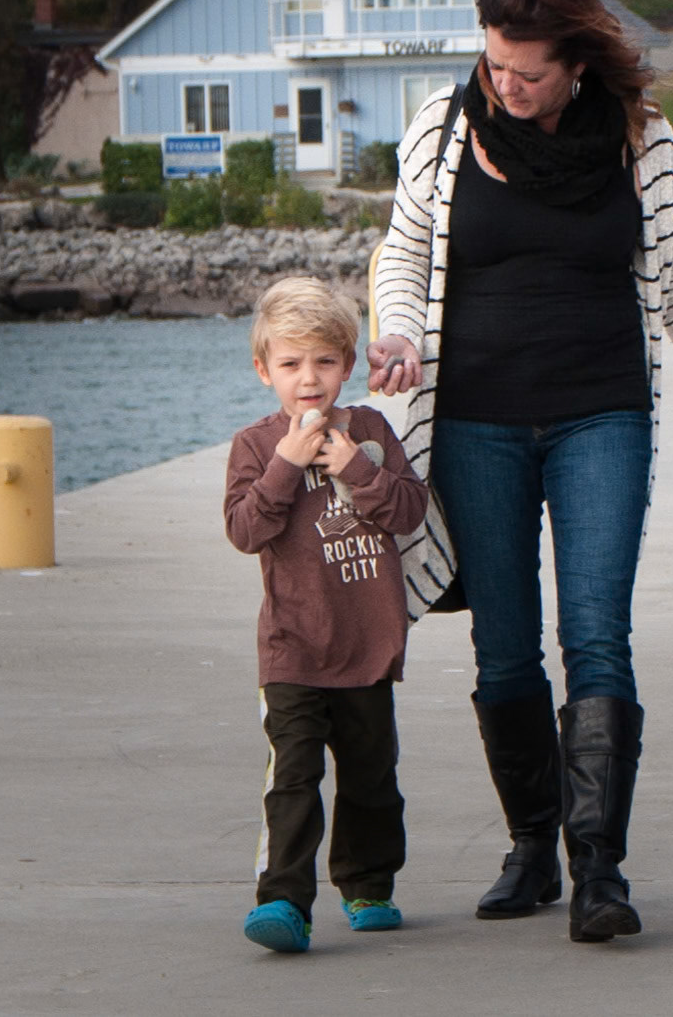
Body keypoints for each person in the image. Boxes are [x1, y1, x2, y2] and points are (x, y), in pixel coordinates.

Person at [368, 0, 673, 944]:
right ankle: (532, 842)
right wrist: (403, 332)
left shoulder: (641, 140)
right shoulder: (443, 127)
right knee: (502, 640)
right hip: (473, 419)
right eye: (495, 63)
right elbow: (404, 250)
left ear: (577, 62)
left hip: (603, 412)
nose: (505, 83)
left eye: (526, 71)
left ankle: (599, 865)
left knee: (595, 630)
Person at [224, 277, 431, 954]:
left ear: (346, 364)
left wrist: (354, 468)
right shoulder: (255, 446)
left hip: (366, 641)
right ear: (264, 371)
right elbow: (245, 529)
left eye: (322, 361)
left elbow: (407, 511)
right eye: (289, 363)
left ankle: (367, 882)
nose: (307, 378)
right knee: (293, 775)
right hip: (293, 646)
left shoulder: (369, 430)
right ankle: (283, 898)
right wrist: (286, 462)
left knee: (371, 775)